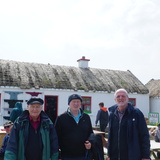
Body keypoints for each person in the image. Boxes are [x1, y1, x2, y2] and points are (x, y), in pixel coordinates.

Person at [107, 88, 150, 160]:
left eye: (123, 96)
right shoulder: (112, 114)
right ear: (115, 99)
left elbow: (144, 135)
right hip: (115, 156)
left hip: (132, 156)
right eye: (118, 96)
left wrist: (146, 156)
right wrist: (109, 154)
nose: (120, 98)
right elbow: (111, 135)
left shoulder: (136, 113)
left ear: (127, 98)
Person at [55, 94, 93, 160]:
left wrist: (90, 143)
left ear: (81, 103)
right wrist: (58, 154)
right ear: (69, 103)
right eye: (73, 101)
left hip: (83, 155)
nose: (76, 104)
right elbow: (56, 137)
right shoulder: (61, 118)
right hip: (66, 156)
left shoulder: (86, 117)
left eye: (78, 101)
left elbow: (90, 134)